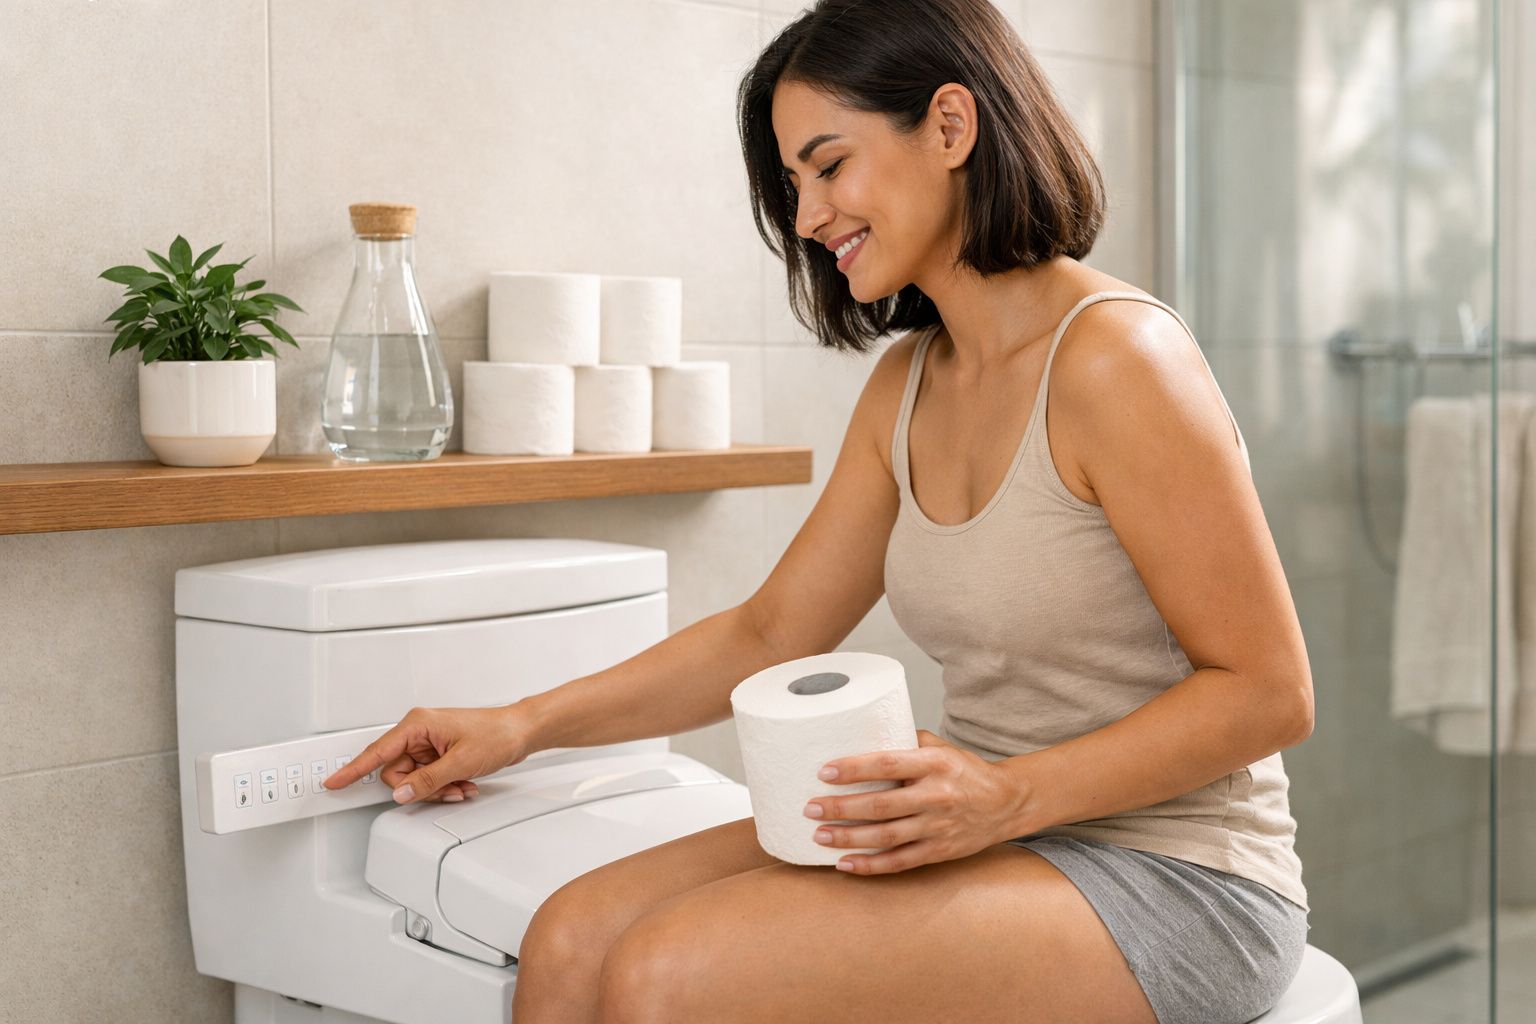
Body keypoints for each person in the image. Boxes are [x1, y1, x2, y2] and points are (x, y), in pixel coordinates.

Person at [326, 1, 1313, 1021]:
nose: (805, 218)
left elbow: (1270, 691)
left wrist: (1010, 796)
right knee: (570, 936)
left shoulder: (1120, 361)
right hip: (976, 822)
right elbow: (771, 629)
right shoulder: (908, 383)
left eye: (828, 165)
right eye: (793, 184)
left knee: (665, 971)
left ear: (949, 127)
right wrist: (520, 724)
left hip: (1176, 870)